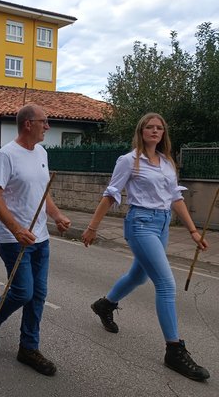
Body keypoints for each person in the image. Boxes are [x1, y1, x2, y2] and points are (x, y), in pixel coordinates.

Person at [82, 113, 210, 381]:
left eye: (159, 128)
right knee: (166, 284)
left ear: (163, 133)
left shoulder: (166, 162)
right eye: (149, 127)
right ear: (141, 132)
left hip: (162, 224)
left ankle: (105, 305)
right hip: (141, 224)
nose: (154, 131)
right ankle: (174, 349)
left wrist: (193, 231)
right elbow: (111, 194)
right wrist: (92, 227)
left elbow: (175, 198)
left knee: (138, 276)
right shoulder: (129, 161)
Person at [0, 105, 70, 376]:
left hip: (40, 238)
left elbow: (43, 193)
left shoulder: (42, 152)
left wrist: (56, 216)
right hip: (13, 238)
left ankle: (28, 348)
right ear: (28, 124)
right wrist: (17, 229)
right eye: (45, 121)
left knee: (38, 295)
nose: (48, 126)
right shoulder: (6, 155)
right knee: (22, 291)